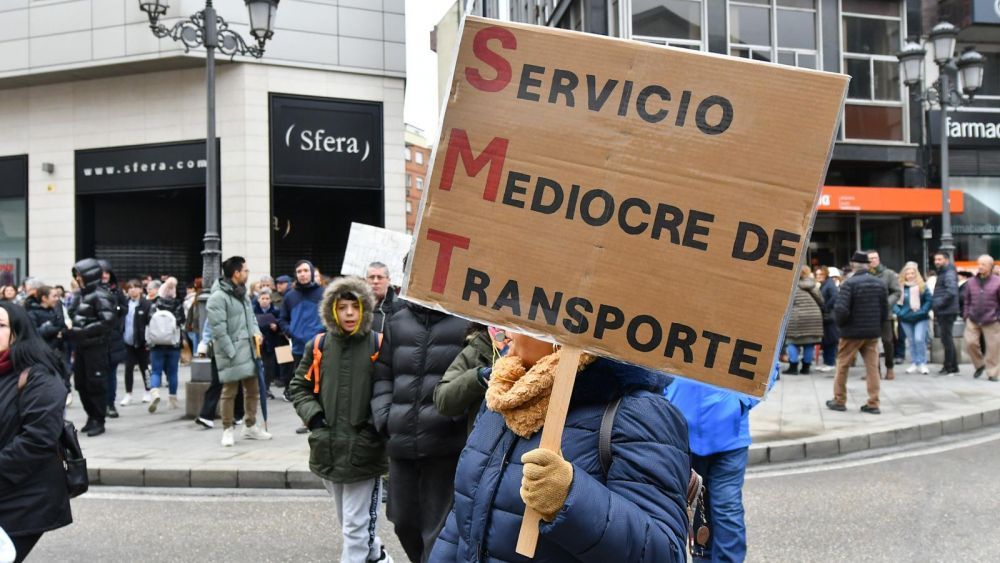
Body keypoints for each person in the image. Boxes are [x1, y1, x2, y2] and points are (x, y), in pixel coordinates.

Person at [429, 334, 690, 562]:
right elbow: (462, 519)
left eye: (523, 322)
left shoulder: (639, 413)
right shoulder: (507, 394)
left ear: (562, 334)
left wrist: (571, 498)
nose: (505, 333)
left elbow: (664, 552)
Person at [289, 277, 393, 563]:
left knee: (355, 527)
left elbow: (390, 390)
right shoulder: (319, 345)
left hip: (365, 452)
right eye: (342, 307)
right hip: (329, 449)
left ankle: (364, 555)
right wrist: (316, 420)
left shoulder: (378, 344)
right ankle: (378, 555)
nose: (349, 313)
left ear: (365, 310)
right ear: (332, 310)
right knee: (349, 522)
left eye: (354, 307)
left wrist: (374, 427)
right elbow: (298, 387)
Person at [371, 301, 467, 563]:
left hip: (445, 444)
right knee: (402, 521)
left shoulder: (465, 321)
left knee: (438, 528)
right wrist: (384, 417)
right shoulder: (396, 319)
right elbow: (382, 374)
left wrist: (454, 419)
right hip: (401, 441)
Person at [664, 366, 777, 563]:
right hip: (683, 435)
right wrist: (666, 395)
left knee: (727, 510)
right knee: (698, 511)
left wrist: (742, 401)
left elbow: (769, 359)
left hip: (728, 437)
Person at [0, 302, 73, 562]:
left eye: (0, 325)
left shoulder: (39, 376)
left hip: (26, 495)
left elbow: (38, 439)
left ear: (17, 333)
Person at [206, 256, 270, 447]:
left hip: (250, 350)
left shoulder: (243, 295)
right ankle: (227, 429)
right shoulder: (218, 297)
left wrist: (257, 334)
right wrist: (231, 351)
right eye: (246, 271)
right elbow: (218, 329)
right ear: (236, 273)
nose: (247, 274)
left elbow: (252, 319)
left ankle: (250, 425)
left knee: (253, 390)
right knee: (229, 391)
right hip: (232, 352)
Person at [827, 251, 888, 415]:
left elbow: (841, 309)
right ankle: (873, 402)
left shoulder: (849, 284)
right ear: (868, 265)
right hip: (872, 333)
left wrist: (841, 325)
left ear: (853, 265)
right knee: (872, 368)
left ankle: (839, 400)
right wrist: (878, 326)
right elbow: (884, 310)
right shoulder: (879, 283)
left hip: (851, 333)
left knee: (842, 365)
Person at [69, 258, 116, 436]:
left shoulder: (101, 295)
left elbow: (108, 321)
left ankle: (99, 419)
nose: (77, 279)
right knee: (81, 383)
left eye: (80, 275)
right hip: (82, 346)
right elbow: (75, 315)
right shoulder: (79, 295)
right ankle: (91, 416)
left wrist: (84, 331)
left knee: (95, 383)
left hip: (96, 347)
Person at [433, 324, 495, 435]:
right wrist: (478, 377)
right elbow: (443, 400)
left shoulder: (533, 344)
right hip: (482, 443)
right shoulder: (480, 346)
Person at [278, 260, 325, 400]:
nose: (302, 274)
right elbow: (282, 318)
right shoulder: (290, 296)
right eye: (299, 271)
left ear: (311, 272)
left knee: (320, 382)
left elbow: (331, 317)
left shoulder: (323, 293)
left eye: (305, 270)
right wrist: (290, 331)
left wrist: (322, 332)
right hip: (298, 348)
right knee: (302, 382)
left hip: (319, 345)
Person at [147, 277, 186, 413]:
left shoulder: (155, 304)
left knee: (156, 371)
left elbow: (148, 321)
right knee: (173, 372)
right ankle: (172, 399)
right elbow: (181, 320)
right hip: (173, 344)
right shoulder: (178, 304)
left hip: (157, 344)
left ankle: (155, 392)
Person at [963, 255, 1000, 382]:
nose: (980, 267)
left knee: (993, 347)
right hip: (973, 318)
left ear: (991, 266)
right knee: (969, 343)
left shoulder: (997, 281)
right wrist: (966, 314)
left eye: (983, 264)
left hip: (992, 319)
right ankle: (979, 365)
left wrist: (998, 316)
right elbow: (966, 300)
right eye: (979, 264)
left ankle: (992, 373)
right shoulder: (971, 281)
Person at [783, 265, 824, 375]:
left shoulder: (791, 285)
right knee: (809, 343)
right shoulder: (813, 285)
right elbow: (821, 301)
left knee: (792, 342)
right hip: (813, 317)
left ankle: (793, 367)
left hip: (796, 317)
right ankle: (806, 368)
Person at [894, 262, 932, 375]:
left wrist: (923, 311)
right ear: (904, 275)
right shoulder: (899, 287)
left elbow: (929, 300)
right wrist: (899, 312)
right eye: (908, 273)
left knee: (919, 339)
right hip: (905, 317)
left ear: (916, 274)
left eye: (912, 273)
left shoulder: (922, 286)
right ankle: (915, 362)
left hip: (920, 317)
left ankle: (922, 363)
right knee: (911, 341)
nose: (910, 275)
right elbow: (893, 301)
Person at [867, 251, 901, 380]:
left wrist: (886, 303)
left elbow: (896, 292)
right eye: (870, 258)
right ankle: (875, 371)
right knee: (871, 343)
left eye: (875, 258)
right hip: (869, 314)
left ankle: (890, 368)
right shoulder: (865, 274)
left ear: (879, 259)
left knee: (887, 341)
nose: (873, 260)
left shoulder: (889, 274)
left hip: (885, 313)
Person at [119, 280, 151, 406]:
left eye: (135, 287)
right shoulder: (125, 304)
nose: (132, 290)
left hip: (142, 342)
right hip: (128, 341)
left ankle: (148, 391)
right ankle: (128, 393)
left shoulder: (146, 304)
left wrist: (148, 340)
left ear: (140, 289)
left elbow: (150, 323)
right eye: (129, 288)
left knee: (145, 368)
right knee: (128, 368)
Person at [932, 251, 961, 376]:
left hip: (947, 311)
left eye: (939, 259)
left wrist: (938, 303)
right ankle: (952, 366)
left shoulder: (948, 272)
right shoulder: (945, 272)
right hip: (946, 310)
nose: (937, 262)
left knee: (946, 339)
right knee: (946, 339)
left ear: (946, 260)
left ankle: (949, 366)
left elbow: (951, 292)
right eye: (935, 259)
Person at [253, 288, 284, 394]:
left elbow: (282, 322)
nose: (265, 300)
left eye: (267, 298)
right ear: (258, 300)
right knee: (258, 366)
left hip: (271, 343)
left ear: (270, 300)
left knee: (269, 366)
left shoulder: (276, 311)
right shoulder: (253, 311)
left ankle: (266, 387)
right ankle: (258, 387)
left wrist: (277, 326)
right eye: (263, 298)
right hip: (257, 342)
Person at [816, 266, 840, 373]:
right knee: (826, 340)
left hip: (830, 317)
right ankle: (827, 362)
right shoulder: (826, 284)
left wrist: (826, 307)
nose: (818, 276)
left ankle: (830, 362)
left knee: (830, 340)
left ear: (825, 274)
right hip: (827, 316)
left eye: (820, 274)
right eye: (817, 275)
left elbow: (835, 296)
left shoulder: (829, 284)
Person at [367, 262, 397, 334]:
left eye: (380, 277)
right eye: (371, 277)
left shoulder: (399, 308)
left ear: (388, 280)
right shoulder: (357, 306)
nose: (375, 281)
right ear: (366, 280)